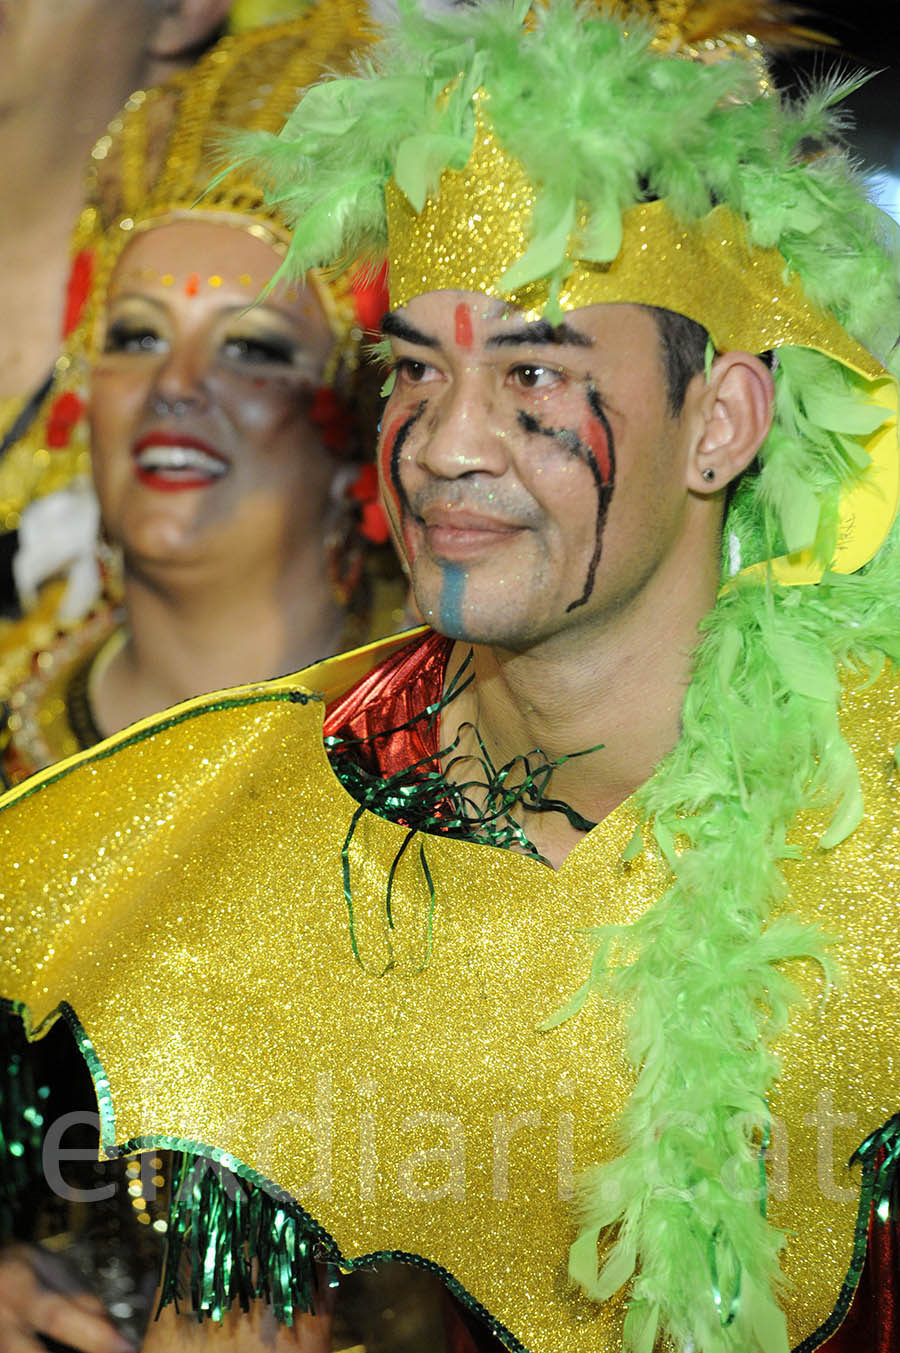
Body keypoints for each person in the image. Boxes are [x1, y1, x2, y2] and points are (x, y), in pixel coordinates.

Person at [2, 2, 900, 1352]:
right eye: (416, 370)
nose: (441, 445)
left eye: (534, 369)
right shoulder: (220, 841)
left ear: (722, 423)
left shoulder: (873, 836)